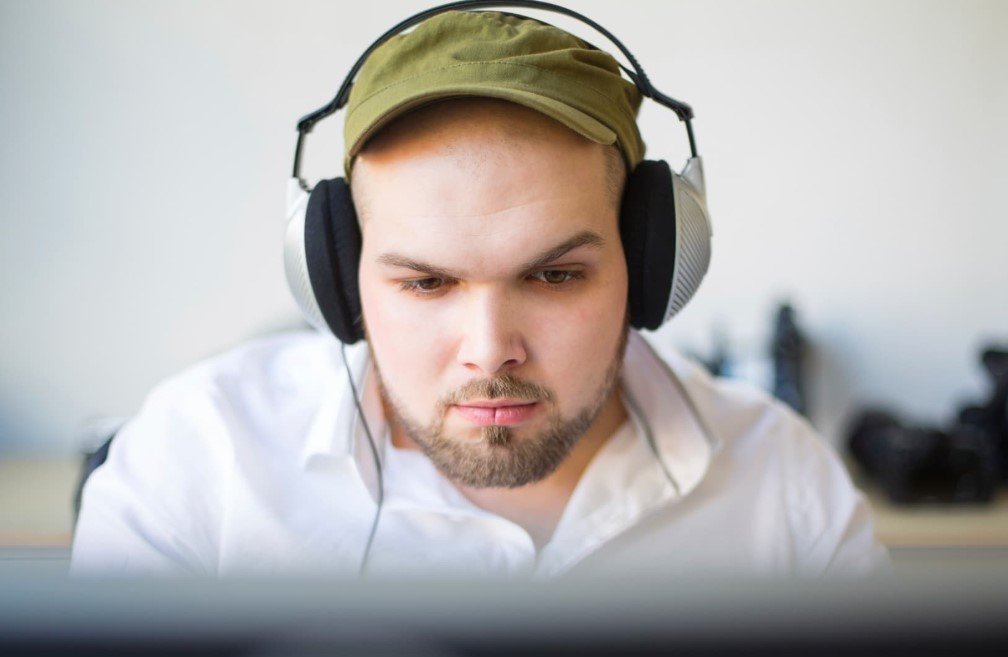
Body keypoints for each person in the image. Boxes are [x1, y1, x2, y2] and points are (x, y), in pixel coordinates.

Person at [71, 7, 890, 579]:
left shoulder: (783, 482)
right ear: (338, 276)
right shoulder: (195, 462)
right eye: (427, 281)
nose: (491, 345)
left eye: (555, 274)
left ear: (649, 263)